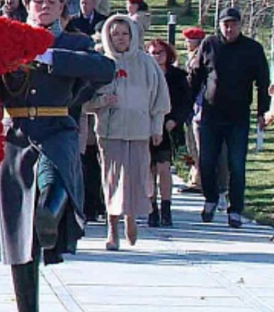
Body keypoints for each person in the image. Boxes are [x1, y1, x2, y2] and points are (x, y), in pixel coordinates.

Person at [0, 0, 114, 311]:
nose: (43, 6)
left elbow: (104, 69)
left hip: (56, 129)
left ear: (63, 6)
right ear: (26, 4)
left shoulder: (73, 42)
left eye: (51, 1)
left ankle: (49, 215)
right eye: (37, 0)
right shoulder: (7, 40)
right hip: (17, 136)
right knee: (20, 232)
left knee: (54, 177)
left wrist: (51, 58)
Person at [88, 14, 170, 250]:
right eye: (115, 34)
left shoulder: (146, 63)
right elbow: (85, 100)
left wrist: (157, 127)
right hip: (110, 130)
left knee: (136, 178)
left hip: (139, 129)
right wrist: (103, 101)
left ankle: (130, 219)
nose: (120, 39)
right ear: (108, 36)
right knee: (112, 179)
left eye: (125, 34)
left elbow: (159, 99)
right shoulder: (101, 62)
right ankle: (112, 228)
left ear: (132, 35)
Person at [188, 7, 270, 228]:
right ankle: (211, 199)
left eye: (233, 24)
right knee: (206, 161)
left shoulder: (252, 49)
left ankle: (235, 210)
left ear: (240, 25)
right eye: (226, 24)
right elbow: (196, 77)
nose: (229, 28)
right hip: (210, 115)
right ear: (220, 25)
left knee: (236, 164)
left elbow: (263, 82)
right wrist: (187, 107)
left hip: (238, 117)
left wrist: (263, 111)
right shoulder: (209, 44)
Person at [145, 38, 192, 228]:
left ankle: (166, 208)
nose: (157, 56)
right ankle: (152, 208)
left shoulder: (178, 76)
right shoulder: (143, 75)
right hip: (145, 126)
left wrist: (175, 120)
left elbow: (185, 102)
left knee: (164, 168)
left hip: (169, 126)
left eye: (160, 52)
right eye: (153, 52)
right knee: (149, 169)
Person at [179, 26, 208, 194]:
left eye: (189, 40)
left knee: (198, 145)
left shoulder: (200, 56)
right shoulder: (190, 56)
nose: (186, 43)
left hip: (199, 105)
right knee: (191, 144)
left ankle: (200, 181)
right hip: (190, 105)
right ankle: (194, 177)